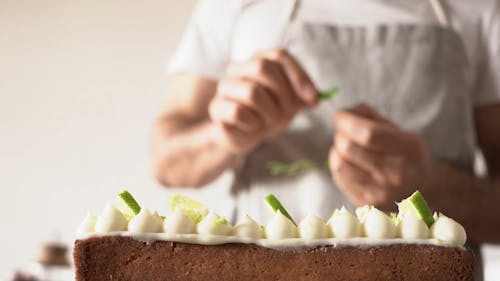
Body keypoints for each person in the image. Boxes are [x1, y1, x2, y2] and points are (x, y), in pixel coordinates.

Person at [152, 1, 499, 277]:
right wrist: (223, 135)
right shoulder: (233, 5)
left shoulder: (481, 8)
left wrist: (431, 188)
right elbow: (165, 160)